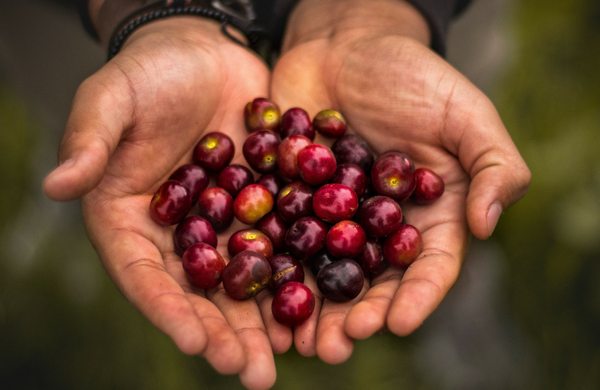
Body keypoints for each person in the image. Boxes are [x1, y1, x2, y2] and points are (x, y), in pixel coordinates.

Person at [43, 1, 531, 389]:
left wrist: (368, 13)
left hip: (422, 22)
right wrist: (153, 11)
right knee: (97, 136)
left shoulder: (336, 193)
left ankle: (460, 314)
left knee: (461, 78)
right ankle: (64, 213)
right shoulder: (288, 194)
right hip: (71, 21)